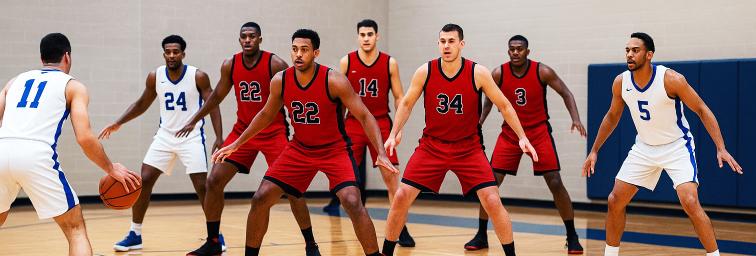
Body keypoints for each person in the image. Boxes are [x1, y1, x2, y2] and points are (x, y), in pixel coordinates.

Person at [213, 28, 396, 256]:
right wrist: (236, 143)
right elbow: (265, 115)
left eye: (304, 50)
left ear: (316, 53)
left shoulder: (334, 81)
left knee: (351, 201)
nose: (298, 54)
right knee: (260, 198)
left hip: (335, 150)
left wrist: (381, 151)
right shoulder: (281, 80)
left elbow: (365, 115)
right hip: (299, 150)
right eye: (294, 49)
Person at [380, 24, 538, 256]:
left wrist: (522, 136)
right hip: (432, 146)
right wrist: (393, 134)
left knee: (493, 201)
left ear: (461, 44)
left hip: (469, 149)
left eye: (451, 41)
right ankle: (386, 252)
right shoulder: (426, 71)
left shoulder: (478, 72)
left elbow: (504, 105)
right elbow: (406, 103)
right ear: (438, 44)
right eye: (442, 41)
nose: (446, 46)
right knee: (401, 195)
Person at [582, 32, 743, 256]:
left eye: (635, 50)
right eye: (627, 50)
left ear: (649, 55)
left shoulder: (671, 79)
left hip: (676, 146)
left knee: (689, 201)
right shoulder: (621, 82)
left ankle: (714, 254)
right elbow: (612, 116)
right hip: (644, 148)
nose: (629, 54)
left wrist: (721, 147)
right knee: (615, 199)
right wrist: (594, 150)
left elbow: (701, 109)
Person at [181, 22, 319, 256]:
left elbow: (295, 93)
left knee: (294, 189)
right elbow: (216, 97)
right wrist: (195, 119)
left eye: (252, 36)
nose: (247, 40)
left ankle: (310, 244)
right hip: (243, 131)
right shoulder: (230, 64)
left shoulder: (275, 64)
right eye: (243, 36)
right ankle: (213, 241)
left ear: (260, 39)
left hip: (274, 132)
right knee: (214, 180)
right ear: (239, 40)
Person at [0, 33, 140, 255]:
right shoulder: (73, 86)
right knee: (75, 228)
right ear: (67, 56)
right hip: (35, 155)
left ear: (41, 57)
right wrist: (110, 168)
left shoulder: (14, 82)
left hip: (2, 150)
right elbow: (84, 137)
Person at [98, 35, 223, 252]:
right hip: (165, 136)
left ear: (183, 53)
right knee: (143, 180)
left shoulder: (198, 76)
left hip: (191, 137)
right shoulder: (155, 76)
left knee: (202, 187)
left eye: (176, 52)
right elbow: (142, 103)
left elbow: (213, 104)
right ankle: (135, 234)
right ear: (163, 53)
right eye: (168, 51)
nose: (172, 55)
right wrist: (119, 122)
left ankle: (215, 237)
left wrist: (219, 138)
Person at [465, 35, 585, 254]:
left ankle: (572, 235)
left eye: (520, 49)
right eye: (512, 49)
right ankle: (481, 234)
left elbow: (566, 92)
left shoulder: (542, 71)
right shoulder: (498, 73)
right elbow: (488, 100)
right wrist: (479, 122)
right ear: (507, 51)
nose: (515, 53)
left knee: (555, 181)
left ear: (528, 51)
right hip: (510, 133)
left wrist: (575, 118)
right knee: (489, 183)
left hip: (538, 132)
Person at [322, 18, 414, 247]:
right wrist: (336, 129)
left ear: (377, 36)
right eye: (362, 34)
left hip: (381, 123)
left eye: (370, 34)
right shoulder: (346, 61)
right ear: (357, 37)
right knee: (348, 180)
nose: (366, 38)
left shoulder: (389, 63)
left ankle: (400, 228)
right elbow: (338, 99)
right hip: (353, 124)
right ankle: (359, 223)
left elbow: (400, 97)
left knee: (392, 180)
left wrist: (397, 129)